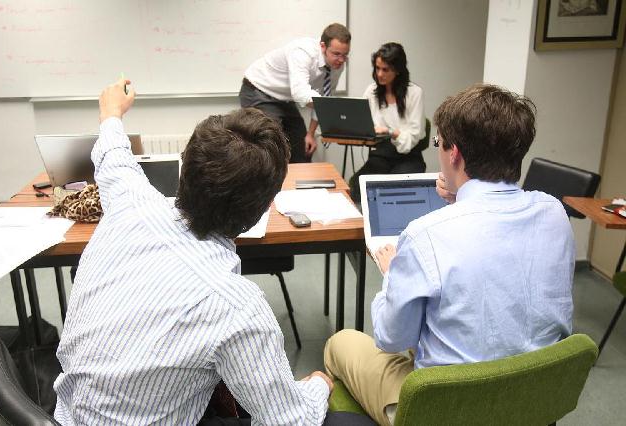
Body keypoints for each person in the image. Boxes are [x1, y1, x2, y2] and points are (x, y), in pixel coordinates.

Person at [53, 79, 334, 425]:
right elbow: (290, 421)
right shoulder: (237, 307)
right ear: (264, 207)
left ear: (184, 167)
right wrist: (318, 385)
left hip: (63, 416)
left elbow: (113, 154)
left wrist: (112, 112)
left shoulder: (130, 204)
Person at [324, 84, 575, 426]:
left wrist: (394, 273)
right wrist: (459, 198)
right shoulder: (554, 214)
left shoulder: (425, 233)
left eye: (438, 143)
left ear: (453, 153)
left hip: (448, 408)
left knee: (341, 343)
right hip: (532, 399)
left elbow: (391, 338)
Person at [239, 23, 351, 163]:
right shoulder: (303, 52)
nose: (341, 60)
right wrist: (328, 105)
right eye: (336, 54)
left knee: (302, 147)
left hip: (284, 99)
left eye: (345, 55)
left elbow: (325, 95)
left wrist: (310, 134)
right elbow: (301, 93)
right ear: (323, 46)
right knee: (270, 145)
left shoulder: (338, 64)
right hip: (258, 90)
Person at [349, 43, 426, 202]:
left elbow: (414, 135)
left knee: (391, 189)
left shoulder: (414, 93)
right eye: (377, 68)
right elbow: (362, 121)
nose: (379, 74)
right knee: (356, 184)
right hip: (381, 155)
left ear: (397, 70)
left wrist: (390, 132)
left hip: (408, 157)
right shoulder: (371, 91)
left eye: (385, 70)